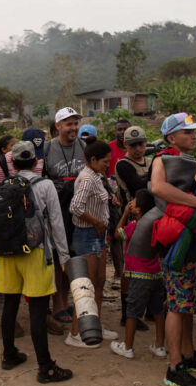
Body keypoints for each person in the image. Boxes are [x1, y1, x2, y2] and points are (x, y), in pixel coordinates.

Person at [0, 141, 73, 382]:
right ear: (36, 161)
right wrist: (64, 255)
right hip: (36, 252)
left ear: (14, 164)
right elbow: (57, 223)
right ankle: (46, 366)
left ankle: (9, 355)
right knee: (38, 309)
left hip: (7, 254)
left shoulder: (3, 185)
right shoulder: (46, 185)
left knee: (10, 305)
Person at [151, 113, 196, 386]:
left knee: (188, 302)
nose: (194, 136)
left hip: (193, 241)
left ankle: (189, 354)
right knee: (178, 305)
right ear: (171, 137)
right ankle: (174, 366)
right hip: (176, 242)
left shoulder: (188, 162)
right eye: (187, 132)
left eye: (194, 131)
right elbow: (158, 188)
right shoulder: (161, 159)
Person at [65, 137, 119, 348]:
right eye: (105, 161)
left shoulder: (97, 176)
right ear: (93, 159)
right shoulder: (87, 178)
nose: (108, 164)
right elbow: (75, 208)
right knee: (85, 286)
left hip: (96, 236)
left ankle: (93, 325)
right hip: (87, 235)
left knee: (98, 282)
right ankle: (76, 333)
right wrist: (96, 221)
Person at [111, 189, 167, 360]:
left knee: (132, 311)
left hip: (138, 275)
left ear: (139, 209)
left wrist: (124, 213)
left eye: (133, 202)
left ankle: (127, 347)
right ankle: (159, 346)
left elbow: (116, 234)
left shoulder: (134, 227)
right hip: (156, 273)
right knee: (158, 311)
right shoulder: (155, 224)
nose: (131, 204)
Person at [44, 107, 87, 327]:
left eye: (75, 123)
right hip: (56, 211)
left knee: (73, 256)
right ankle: (57, 304)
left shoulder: (83, 147)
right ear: (58, 126)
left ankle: (69, 301)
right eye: (69, 124)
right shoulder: (47, 149)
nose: (73, 128)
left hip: (78, 210)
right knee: (58, 257)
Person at [114, 125, 151, 328]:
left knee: (150, 264)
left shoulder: (151, 161)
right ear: (125, 145)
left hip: (151, 217)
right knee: (130, 268)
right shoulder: (123, 165)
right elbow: (139, 187)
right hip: (132, 220)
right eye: (133, 145)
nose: (138, 149)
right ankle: (127, 312)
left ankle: (148, 309)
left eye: (141, 144)